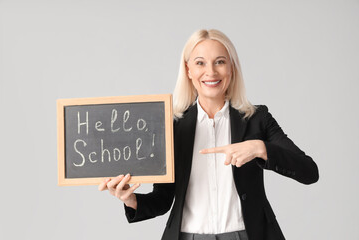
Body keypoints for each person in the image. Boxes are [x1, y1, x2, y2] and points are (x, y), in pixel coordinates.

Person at [98, 29, 319, 240]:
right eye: (200, 63)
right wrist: (131, 200)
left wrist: (259, 148)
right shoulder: (172, 126)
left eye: (220, 62)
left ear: (231, 68)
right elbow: (163, 199)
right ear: (188, 71)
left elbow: (309, 171)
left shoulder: (257, 119)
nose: (211, 72)